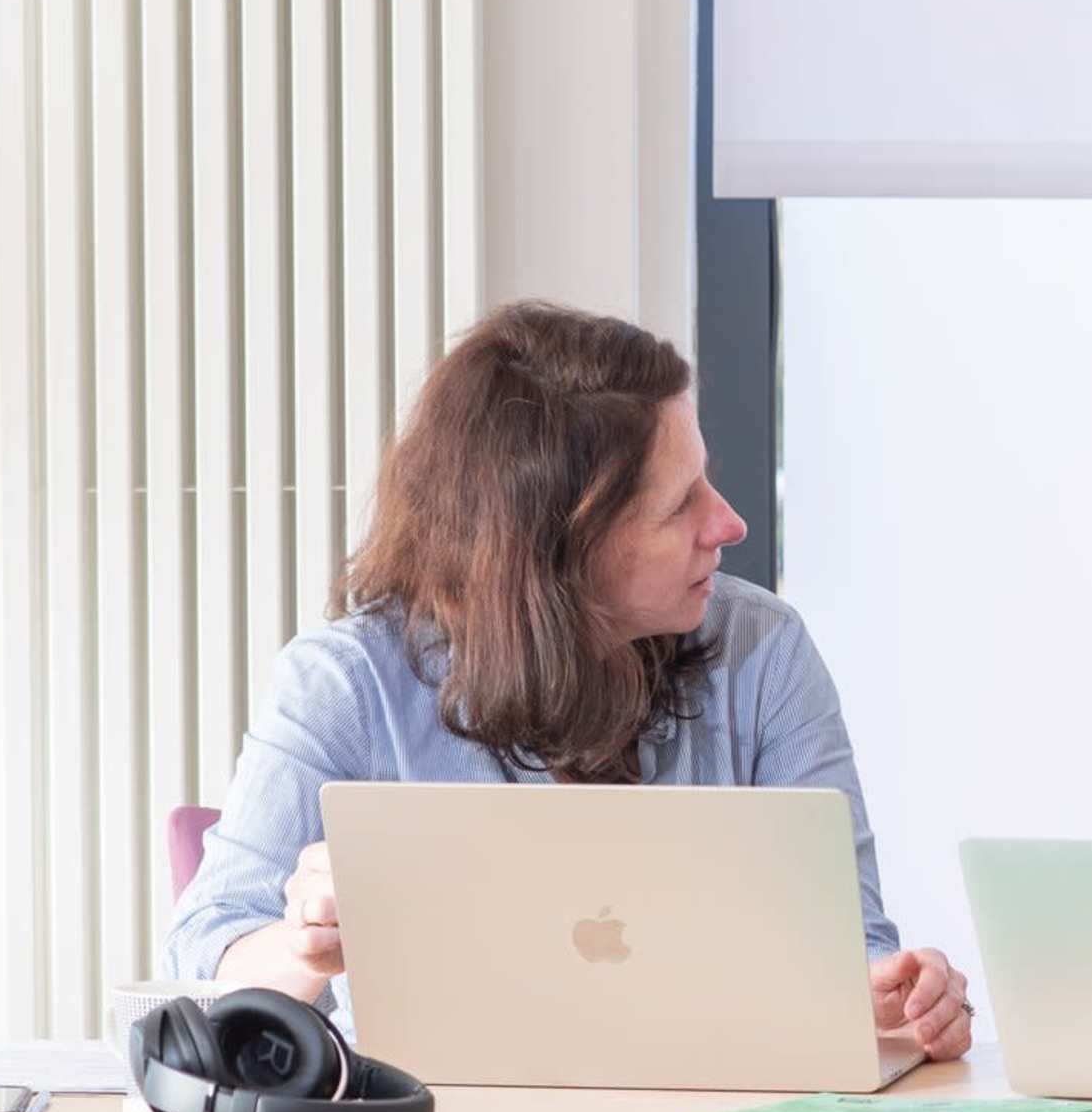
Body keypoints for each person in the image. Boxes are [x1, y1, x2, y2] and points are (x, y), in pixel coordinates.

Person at [161, 300, 973, 1060]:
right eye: (679, 504)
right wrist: (304, 947)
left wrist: (897, 999)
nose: (728, 524)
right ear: (558, 552)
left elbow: (851, 950)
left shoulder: (763, 650)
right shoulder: (346, 681)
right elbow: (203, 958)